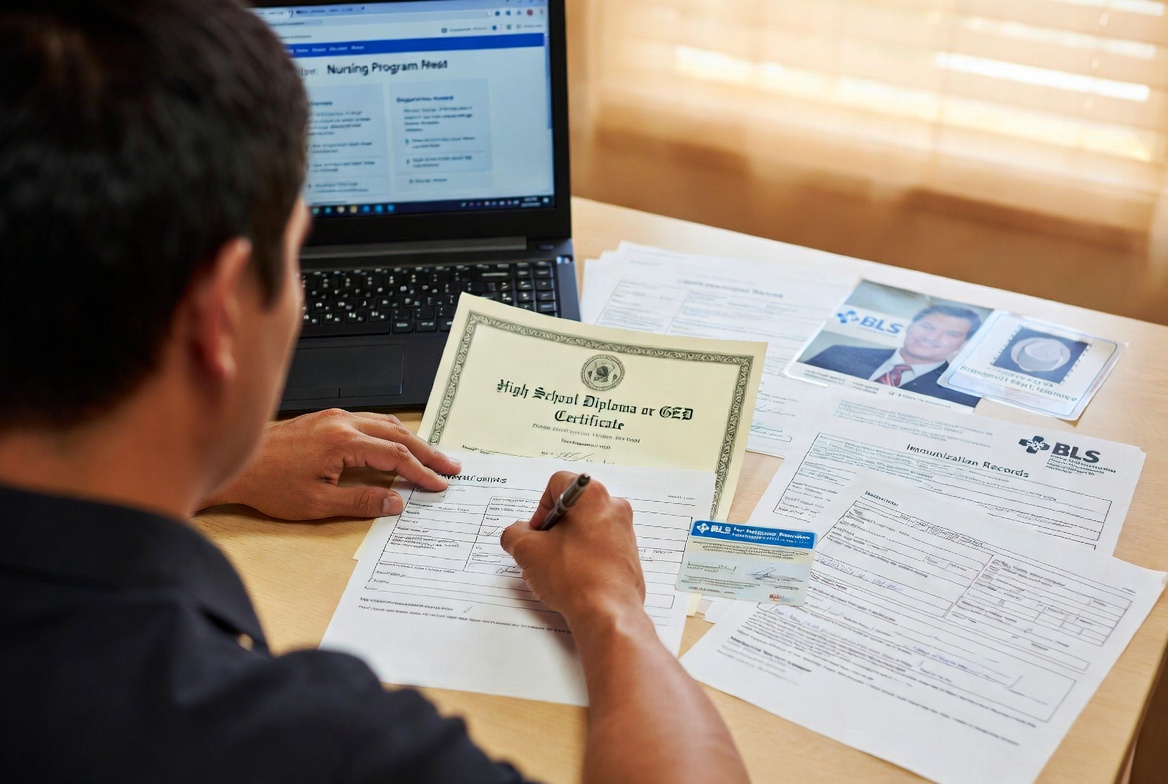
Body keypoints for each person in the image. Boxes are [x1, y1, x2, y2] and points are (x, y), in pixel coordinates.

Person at [0, 2, 750, 783]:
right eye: (294, 259)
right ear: (221, 315)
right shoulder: (292, 746)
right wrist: (611, 606)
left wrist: (226, 466)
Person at [804, 305, 982, 406]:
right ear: (909, 326)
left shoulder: (964, 395)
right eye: (926, 327)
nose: (931, 337)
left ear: (964, 344)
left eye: (951, 334)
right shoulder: (838, 354)